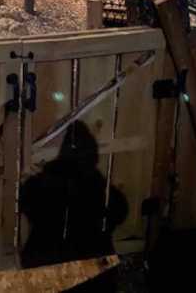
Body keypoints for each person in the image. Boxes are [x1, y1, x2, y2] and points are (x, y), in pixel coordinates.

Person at [20, 120, 128, 290]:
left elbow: (25, 200)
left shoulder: (41, 185)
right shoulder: (101, 190)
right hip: (93, 275)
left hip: (48, 269)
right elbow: (121, 211)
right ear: (92, 155)